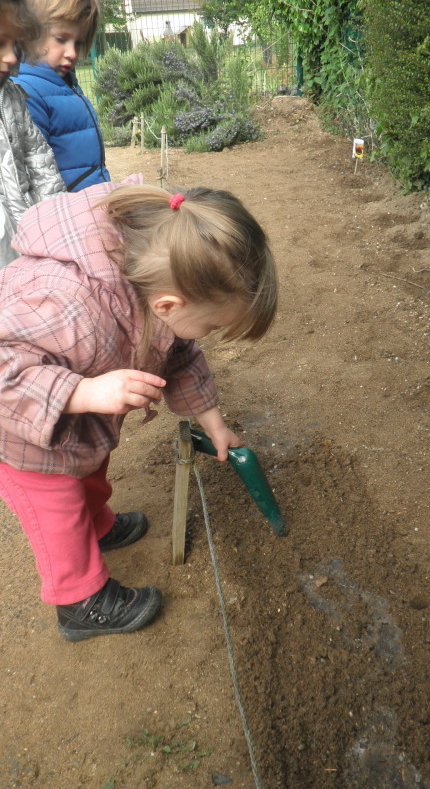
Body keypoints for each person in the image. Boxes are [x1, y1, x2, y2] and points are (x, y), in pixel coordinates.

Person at [0, 179, 278, 642]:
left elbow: (181, 355)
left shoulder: (156, 290)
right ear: (170, 304)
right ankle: (79, 603)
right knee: (58, 511)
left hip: (77, 425)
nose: (205, 335)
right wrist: (83, 393)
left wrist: (214, 422)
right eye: (212, 325)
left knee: (88, 475)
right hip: (24, 435)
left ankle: (98, 527)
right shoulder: (68, 307)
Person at [12, 0, 110, 191]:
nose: (72, 53)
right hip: (65, 214)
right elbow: (36, 179)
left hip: (86, 206)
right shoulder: (28, 93)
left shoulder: (62, 82)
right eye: (60, 38)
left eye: (78, 42)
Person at [0, 0, 65, 268]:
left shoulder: (12, 96)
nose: (12, 57)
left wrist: (57, 230)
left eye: (14, 45)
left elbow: (40, 166)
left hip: (25, 245)